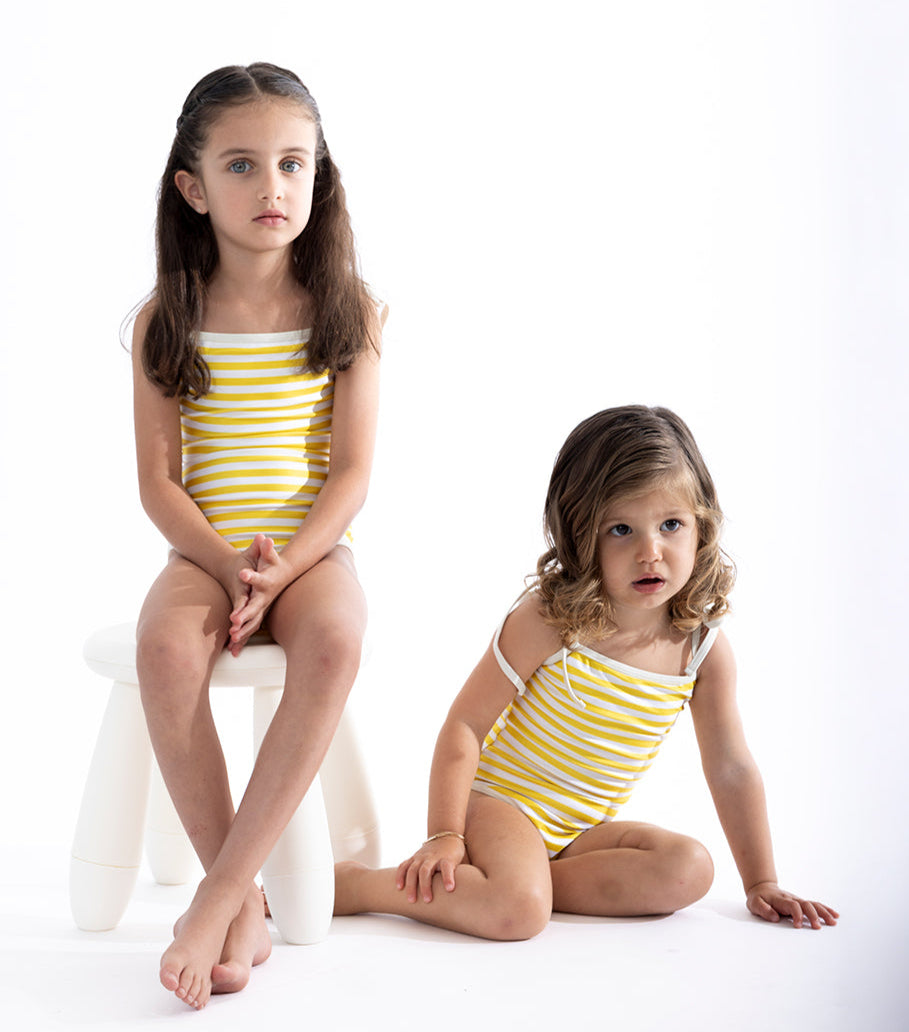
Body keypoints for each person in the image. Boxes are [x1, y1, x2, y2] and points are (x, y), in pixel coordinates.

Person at [334, 406, 838, 939]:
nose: (650, 552)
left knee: (690, 868)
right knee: (519, 913)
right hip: (502, 807)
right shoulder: (552, 621)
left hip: (579, 834)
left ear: (702, 527)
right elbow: (465, 726)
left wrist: (762, 881)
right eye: (621, 529)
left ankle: (521, 884)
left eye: (671, 525)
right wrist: (444, 834)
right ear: (581, 535)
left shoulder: (702, 651)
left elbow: (731, 766)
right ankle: (360, 886)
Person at [131, 63, 383, 1009]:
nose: (271, 185)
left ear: (318, 176)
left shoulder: (347, 312)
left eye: (291, 163)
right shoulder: (168, 319)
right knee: (164, 649)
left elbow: (350, 475)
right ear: (193, 188)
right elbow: (159, 484)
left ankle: (221, 896)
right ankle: (236, 900)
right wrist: (229, 565)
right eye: (241, 165)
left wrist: (284, 572)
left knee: (337, 639)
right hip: (204, 551)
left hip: (309, 555)